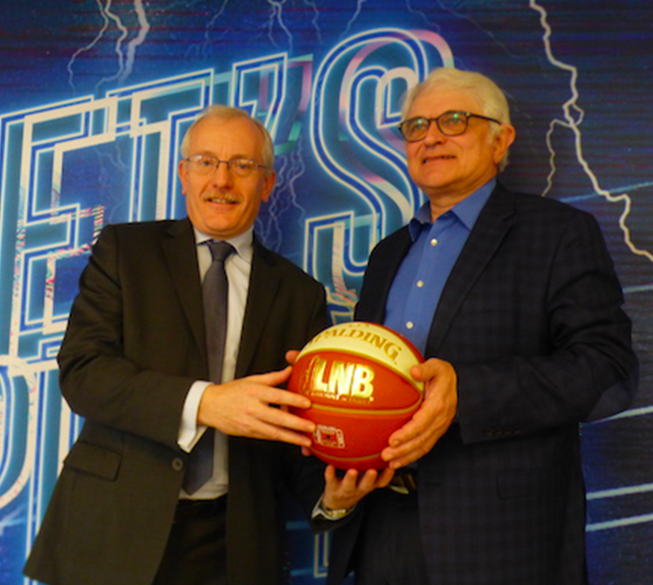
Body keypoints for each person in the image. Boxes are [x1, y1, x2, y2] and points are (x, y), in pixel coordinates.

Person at [23, 105, 383, 585]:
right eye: (206, 162)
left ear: (267, 184)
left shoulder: (299, 295)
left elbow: (296, 426)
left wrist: (330, 497)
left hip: (234, 545)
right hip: (112, 528)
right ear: (183, 175)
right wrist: (205, 403)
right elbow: (83, 372)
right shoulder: (125, 251)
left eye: (242, 165)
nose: (222, 180)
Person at [326, 68, 639, 585]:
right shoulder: (386, 255)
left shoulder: (557, 234)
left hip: (501, 541)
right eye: (416, 126)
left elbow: (607, 368)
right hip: (384, 529)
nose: (430, 137)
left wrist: (465, 393)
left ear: (501, 139)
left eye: (453, 121)